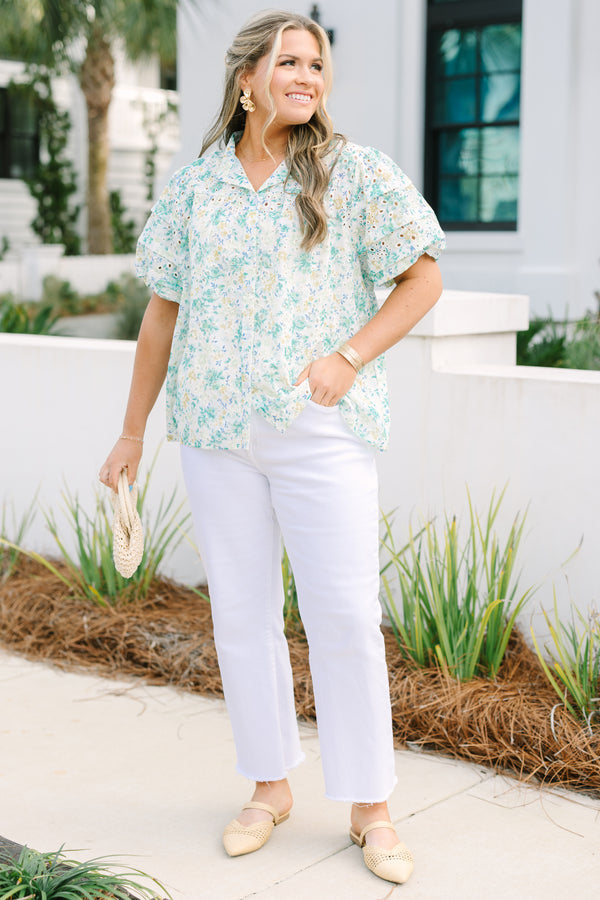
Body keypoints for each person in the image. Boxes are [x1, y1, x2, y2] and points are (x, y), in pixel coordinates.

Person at [99, 9, 444, 886]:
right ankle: (269, 787)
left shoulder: (352, 172)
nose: (305, 76)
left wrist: (349, 356)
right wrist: (133, 431)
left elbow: (424, 277)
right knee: (241, 619)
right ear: (245, 78)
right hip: (213, 434)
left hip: (319, 431)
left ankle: (371, 808)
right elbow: (160, 316)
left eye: (316, 64)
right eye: (287, 61)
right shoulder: (195, 189)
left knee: (345, 618)